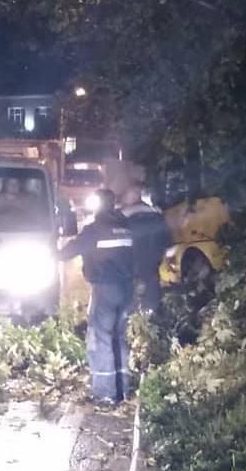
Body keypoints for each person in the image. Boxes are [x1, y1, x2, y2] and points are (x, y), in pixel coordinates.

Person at [59, 189, 137, 405]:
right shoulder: (126, 228)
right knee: (119, 337)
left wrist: (51, 254)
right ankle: (123, 389)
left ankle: (105, 394)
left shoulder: (94, 230)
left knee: (100, 338)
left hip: (105, 289)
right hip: (127, 289)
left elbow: (70, 250)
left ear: (98, 206)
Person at [117, 168, 172, 314]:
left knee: (129, 305)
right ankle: (150, 318)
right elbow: (167, 241)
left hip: (131, 268)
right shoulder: (156, 213)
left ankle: (132, 322)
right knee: (151, 299)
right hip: (152, 265)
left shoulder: (121, 218)